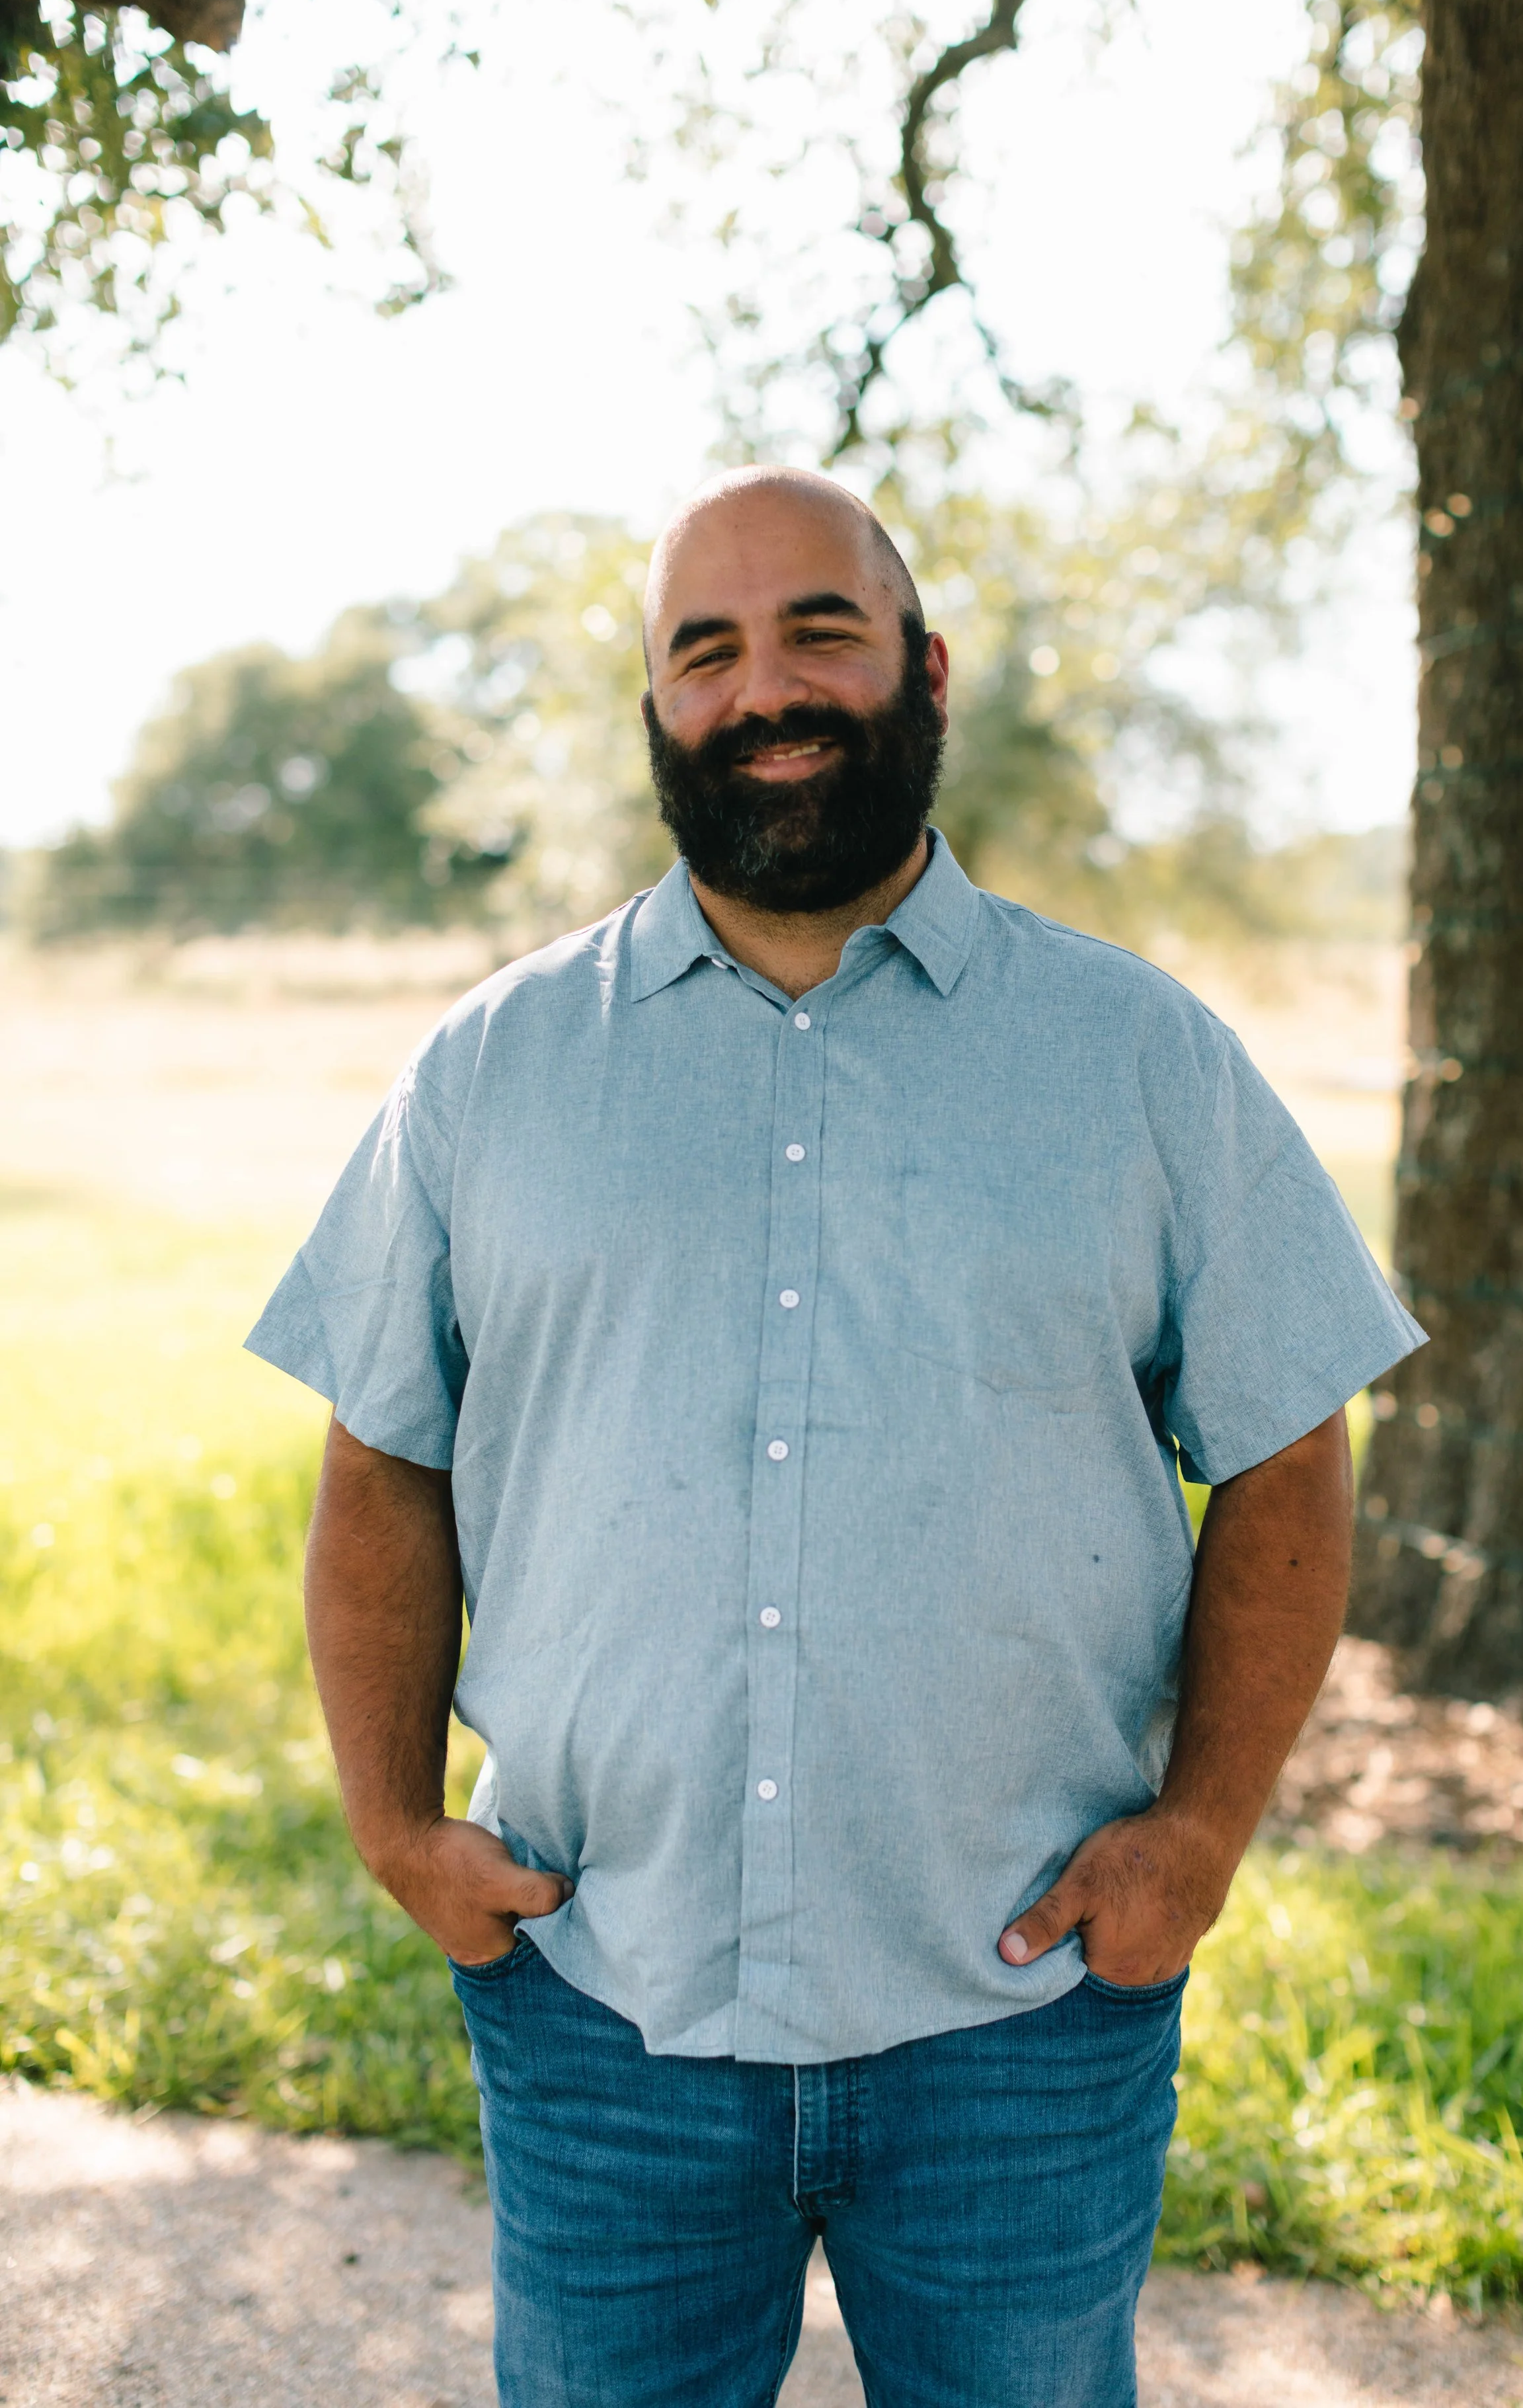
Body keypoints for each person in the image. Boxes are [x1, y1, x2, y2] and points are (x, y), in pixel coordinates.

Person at [247, 466, 1425, 2408]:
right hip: (601, 2002)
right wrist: (393, 1829)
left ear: (923, 668)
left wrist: (1199, 1831)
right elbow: (383, 1463)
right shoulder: (490, 1071)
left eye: (817, 629)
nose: (763, 686)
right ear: (657, 714)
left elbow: (1288, 1457)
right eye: (704, 649)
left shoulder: (1138, 1057)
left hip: (1022, 2020)